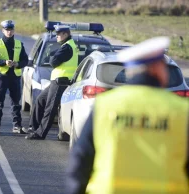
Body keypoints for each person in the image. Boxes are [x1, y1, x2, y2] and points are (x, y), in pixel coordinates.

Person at [66, 37, 189, 194]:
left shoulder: (105, 105)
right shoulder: (181, 111)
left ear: (130, 71)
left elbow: (80, 161)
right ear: (156, 68)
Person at [26, 25, 78, 140]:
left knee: (50, 108)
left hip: (61, 82)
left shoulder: (67, 47)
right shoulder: (66, 45)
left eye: (59, 34)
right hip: (56, 81)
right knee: (40, 100)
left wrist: (51, 57)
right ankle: (33, 128)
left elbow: (54, 62)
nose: (57, 36)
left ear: (65, 34)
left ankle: (40, 134)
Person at [0, 20, 29, 134]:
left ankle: (17, 126)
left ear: (14, 30)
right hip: (2, 76)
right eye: (7, 30)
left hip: (15, 76)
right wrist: (4, 62)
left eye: (11, 30)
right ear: (3, 31)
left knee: (16, 102)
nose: (9, 32)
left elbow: (25, 60)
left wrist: (17, 64)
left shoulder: (19, 44)